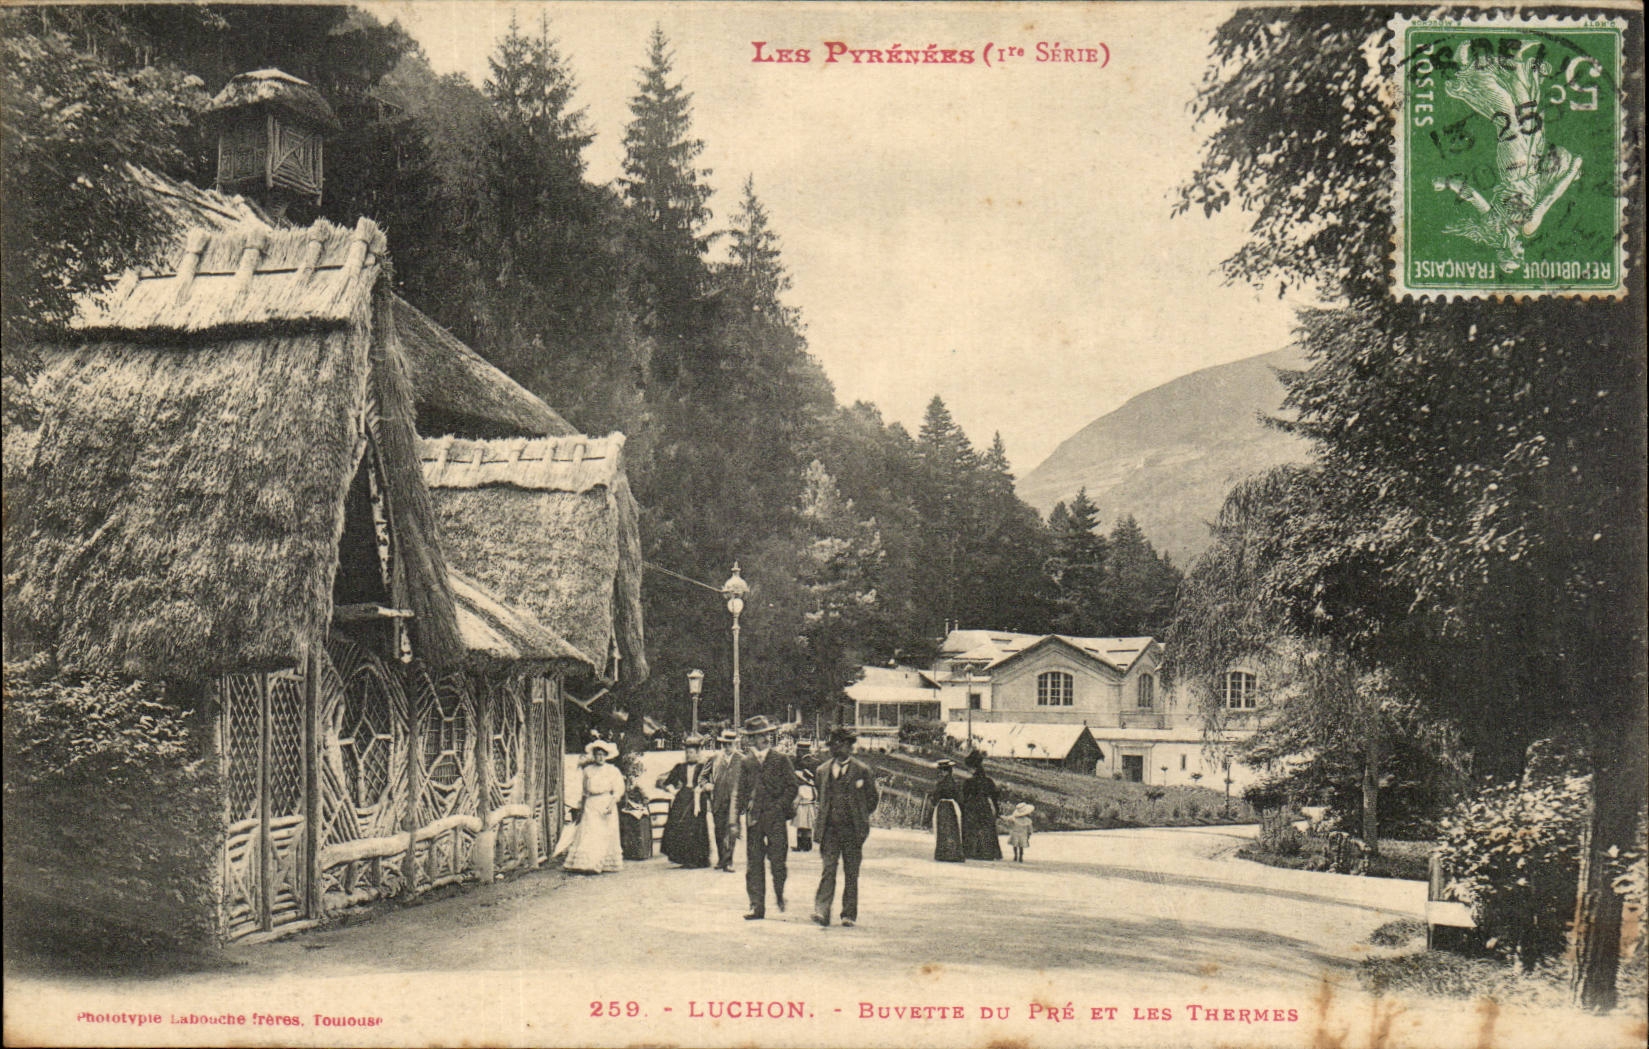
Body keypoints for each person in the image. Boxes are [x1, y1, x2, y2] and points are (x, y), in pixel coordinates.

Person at [811, 727, 879, 928]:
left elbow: (872, 799)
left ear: (849, 747)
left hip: (852, 831)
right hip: (829, 830)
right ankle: (822, 911)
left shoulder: (862, 771)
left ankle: (848, 914)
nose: (835, 748)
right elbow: (821, 797)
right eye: (833, 744)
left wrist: (859, 817)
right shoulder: (822, 771)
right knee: (828, 869)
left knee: (851, 872)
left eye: (839, 744)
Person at [732, 715, 797, 919]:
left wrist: (779, 806)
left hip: (776, 820)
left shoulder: (781, 760)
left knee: (778, 862)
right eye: (759, 736)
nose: (765, 738)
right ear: (750, 740)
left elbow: (792, 787)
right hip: (754, 820)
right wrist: (734, 821)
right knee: (754, 864)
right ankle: (756, 906)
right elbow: (740, 792)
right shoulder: (746, 763)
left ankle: (779, 893)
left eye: (766, 734)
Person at [561, 739, 624, 874]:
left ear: (606, 756)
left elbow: (618, 791)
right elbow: (584, 791)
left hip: (606, 804)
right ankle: (586, 864)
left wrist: (610, 806)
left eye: (602, 754)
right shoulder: (588, 770)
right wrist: (581, 809)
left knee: (603, 835)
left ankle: (601, 864)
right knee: (589, 834)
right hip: (591, 805)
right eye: (597, 754)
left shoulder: (612, 770)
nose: (600, 757)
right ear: (593, 756)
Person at [657, 735, 713, 868]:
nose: (689, 755)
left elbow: (709, 782)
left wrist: (703, 788)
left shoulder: (703, 767)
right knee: (679, 824)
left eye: (692, 752)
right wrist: (673, 790)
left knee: (696, 827)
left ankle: (698, 859)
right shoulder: (680, 767)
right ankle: (683, 858)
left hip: (698, 797)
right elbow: (668, 782)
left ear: (697, 753)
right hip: (683, 797)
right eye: (687, 753)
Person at [708, 729, 742, 871]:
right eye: (724, 744)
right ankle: (722, 858)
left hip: (734, 800)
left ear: (735, 744)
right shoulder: (715, 758)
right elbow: (702, 777)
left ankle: (729, 861)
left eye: (730, 744)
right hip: (718, 799)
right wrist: (707, 785)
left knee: (732, 830)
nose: (727, 747)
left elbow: (749, 780)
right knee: (719, 830)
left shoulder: (742, 759)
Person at [960, 749, 1002, 860]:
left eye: (969, 768)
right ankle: (987, 853)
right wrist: (996, 811)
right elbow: (994, 797)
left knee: (972, 829)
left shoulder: (969, 782)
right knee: (985, 829)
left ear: (973, 769)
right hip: (985, 806)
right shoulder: (989, 781)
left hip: (972, 807)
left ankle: (971, 852)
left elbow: (964, 797)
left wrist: (961, 809)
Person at [927, 759, 965, 862]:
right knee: (953, 828)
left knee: (943, 828)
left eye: (942, 771)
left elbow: (936, 796)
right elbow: (959, 797)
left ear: (945, 771)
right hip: (952, 806)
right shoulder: (954, 782)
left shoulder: (941, 783)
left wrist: (932, 799)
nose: (940, 773)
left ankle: (944, 854)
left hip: (943, 807)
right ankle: (954, 853)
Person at [618, 765, 654, 862]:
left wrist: (641, 803)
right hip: (628, 809)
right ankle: (628, 851)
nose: (631, 778)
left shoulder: (639, 786)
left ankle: (640, 852)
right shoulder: (624, 786)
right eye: (629, 776)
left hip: (638, 808)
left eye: (633, 776)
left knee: (638, 820)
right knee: (625, 819)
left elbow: (646, 798)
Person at [792, 768, 816, 852]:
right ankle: (808, 845)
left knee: (800, 827)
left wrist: (793, 808)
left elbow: (797, 800)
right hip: (810, 807)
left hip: (802, 808)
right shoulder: (812, 788)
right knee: (808, 828)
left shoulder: (801, 788)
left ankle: (800, 845)